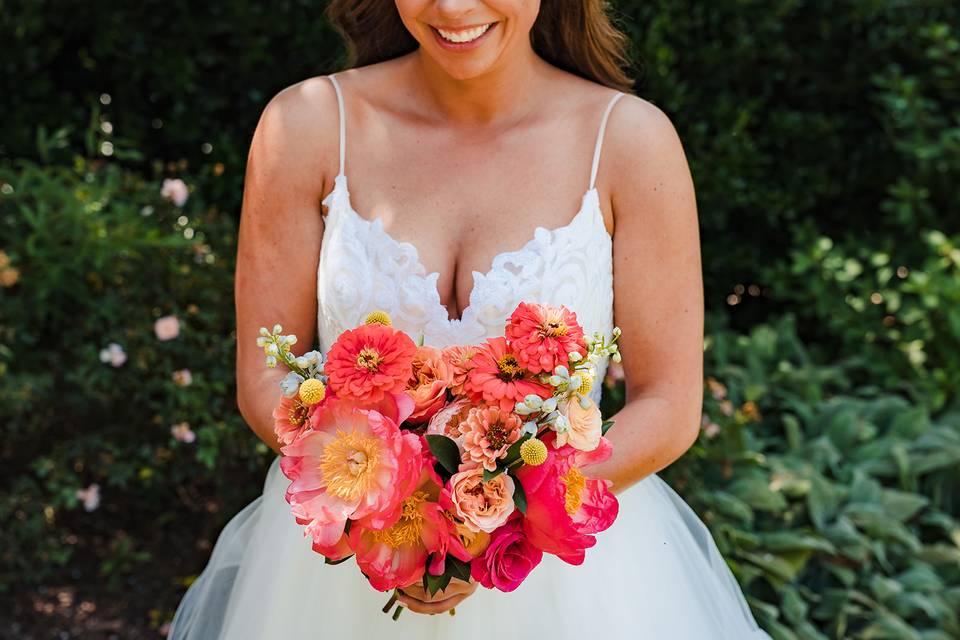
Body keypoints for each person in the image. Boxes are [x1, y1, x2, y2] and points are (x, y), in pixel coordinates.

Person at [169, 1, 771, 638]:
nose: (453, 7)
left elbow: (669, 404)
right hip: (348, 563)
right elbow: (267, 378)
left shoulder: (629, 142)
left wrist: (488, 528)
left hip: (574, 586)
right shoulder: (307, 127)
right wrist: (387, 515)